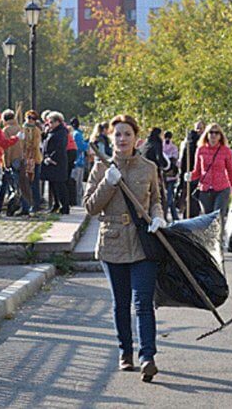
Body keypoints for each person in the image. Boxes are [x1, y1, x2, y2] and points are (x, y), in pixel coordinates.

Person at [83, 114, 165, 383]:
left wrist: (158, 217)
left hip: (143, 242)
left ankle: (147, 357)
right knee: (121, 304)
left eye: (127, 134)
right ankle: (125, 353)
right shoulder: (100, 168)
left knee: (143, 303)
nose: (122, 139)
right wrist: (108, 182)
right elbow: (90, 207)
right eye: (117, 134)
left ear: (136, 138)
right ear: (111, 137)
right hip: (113, 241)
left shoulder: (148, 167)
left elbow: (155, 199)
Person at [184, 123, 232, 220]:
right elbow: (198, 171)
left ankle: (219, 235)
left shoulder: (226, 151)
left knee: (218, 218)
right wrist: (190, 176)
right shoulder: (200, 150)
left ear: (220, 136)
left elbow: (231, 172)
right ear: (206, 134)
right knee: (208, 220)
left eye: (216, 133)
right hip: (205, 189)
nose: (213, 135)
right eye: (211, 132)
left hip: (222, 189)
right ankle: (211, 236)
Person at [0, 110, 32, 215]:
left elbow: (7, 148)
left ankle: (0, 206)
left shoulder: (6, 130)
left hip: (11, 160)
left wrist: (6, 162)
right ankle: (25, 206)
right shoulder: (21, 129)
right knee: (21, 184)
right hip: (20, 159)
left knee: (12, 185)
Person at [40, 111, 70, 214]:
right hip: (49, 162)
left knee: (60, 185)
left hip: (57, 162)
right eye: (48, 122)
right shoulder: (51, 131)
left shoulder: (61, 132)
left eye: (52, 122)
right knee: (52, 185)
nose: (50, 124)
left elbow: (60, 147)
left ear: (58, 121)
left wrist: (51, 158)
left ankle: (64, 206)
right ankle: (56, 204)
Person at [176, 120, 205, 218]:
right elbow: (183, 158)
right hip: (190, 172)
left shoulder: (205, 141)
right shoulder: (187, 142)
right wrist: (183, 173)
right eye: (197, 128)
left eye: (200, 128)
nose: (198, 130)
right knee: (191, 198)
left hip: (202, 173)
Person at [23, 110, 43, 214]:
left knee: (34, 182)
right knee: (25, 183)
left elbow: (36, 144)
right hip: (24, 158)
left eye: (33, 118)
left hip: (34, 159)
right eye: (29, 117)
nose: (31, 120)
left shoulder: (36, 130)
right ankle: (26, 204)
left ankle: (36, 204)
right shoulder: (22, 129)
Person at [70, 118, 89, 206]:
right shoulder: (78, 134)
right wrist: (88, 143)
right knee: (78, 185)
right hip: (78, 161)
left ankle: (77, 202)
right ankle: (78, 203)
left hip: (76, 161)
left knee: (77, 184)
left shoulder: (73, 134)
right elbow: (81, 147)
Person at [162, 131, 179, 221]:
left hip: (172, 176)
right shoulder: (160, 146)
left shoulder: (174, 147)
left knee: (169, 196)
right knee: (168, 197)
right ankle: (174, 216)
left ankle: (166, 215)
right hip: (163, 176)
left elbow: (175, 159)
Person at [66, 120, 79, 206]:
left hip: (69, 154)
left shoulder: (68, 136)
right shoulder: (71, 136)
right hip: (72, 154)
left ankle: (70, 200)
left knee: (67, 179)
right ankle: (72, 200)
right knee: (70, 179)